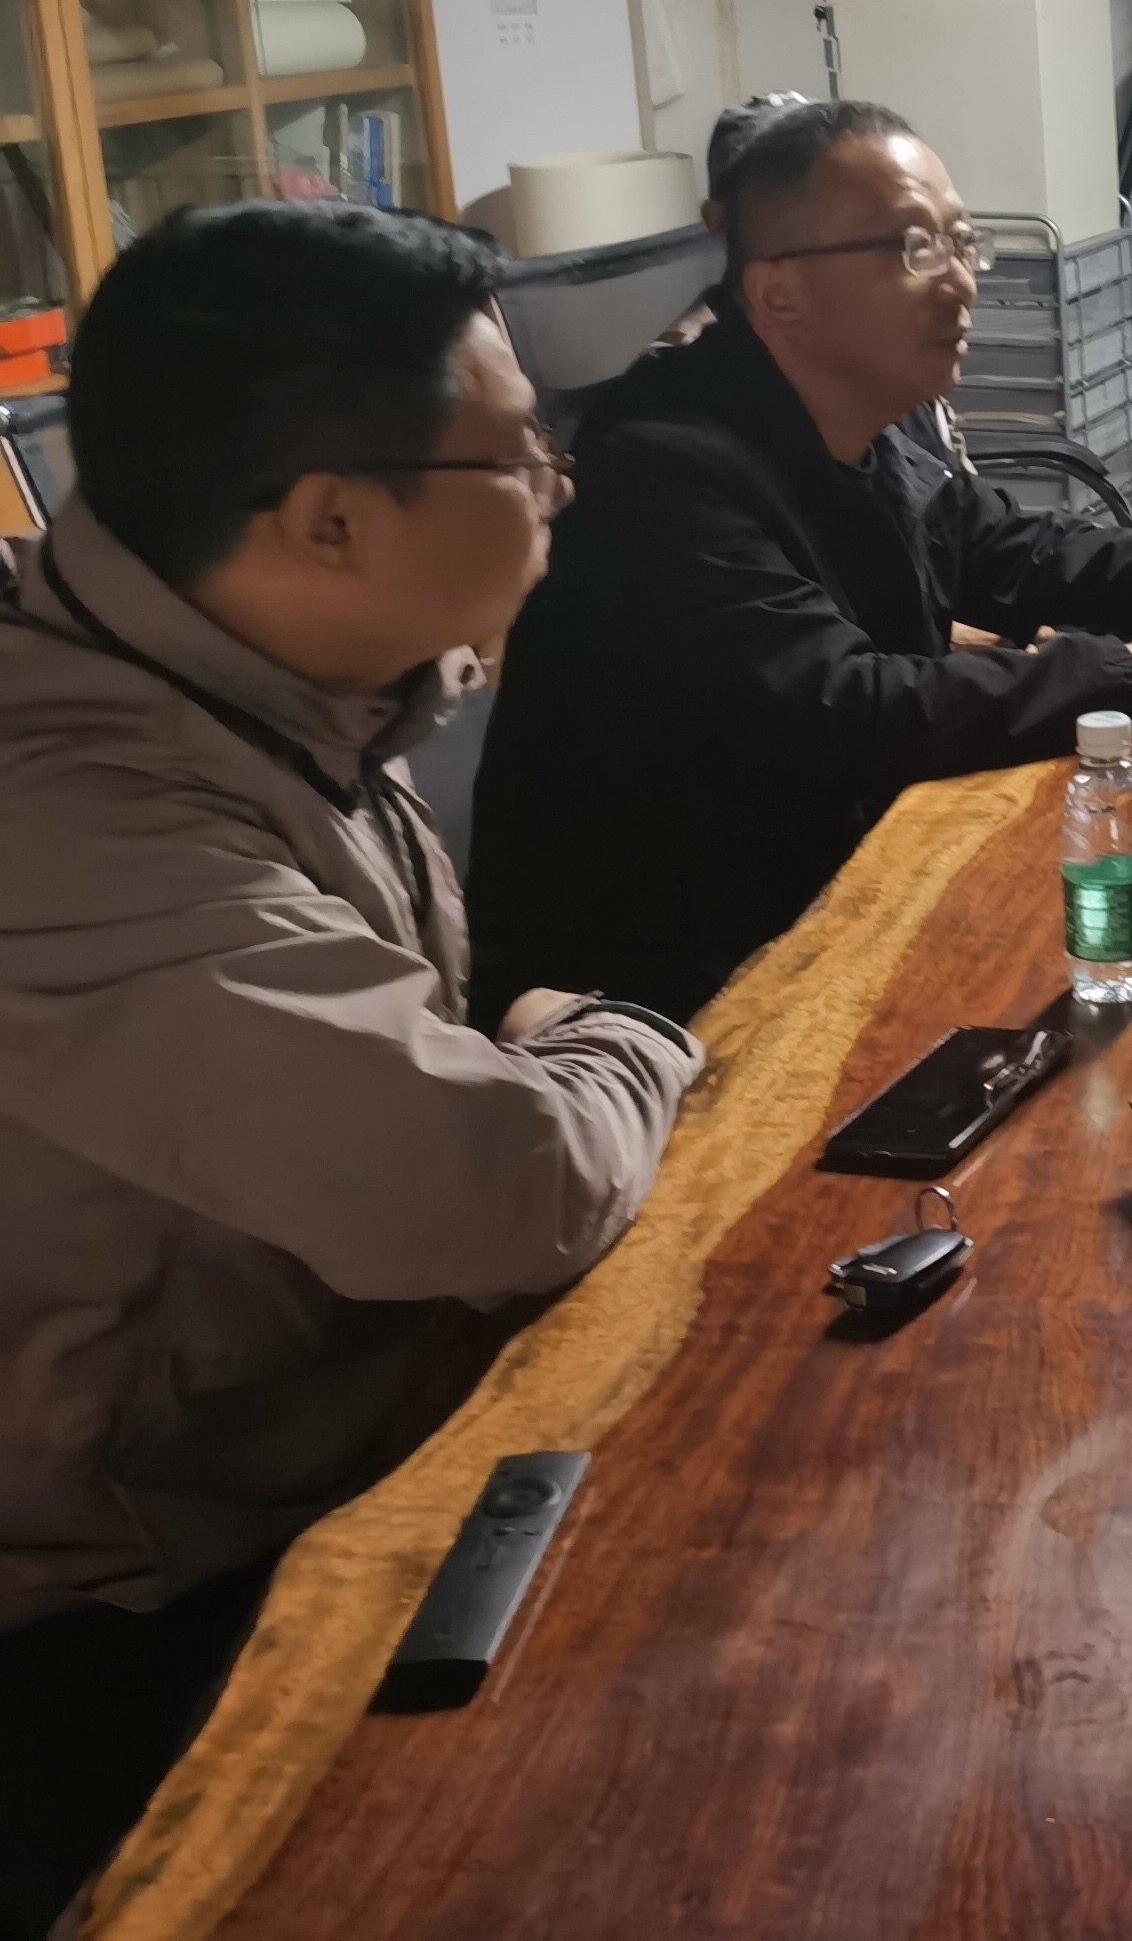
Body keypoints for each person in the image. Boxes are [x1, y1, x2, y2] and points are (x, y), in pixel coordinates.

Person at [0, 205, 698, 1939]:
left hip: (319, 1443)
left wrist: (520, 1064)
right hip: (124, 1620)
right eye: (520, 451)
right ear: (329, 519)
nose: (558, 482)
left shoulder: (280, 679)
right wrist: (637, 1030)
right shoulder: (72, 816)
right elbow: (504, 1185)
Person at [467, 101, 1132, 1025]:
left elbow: (998, 546)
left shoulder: (870, 411)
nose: (961, 281)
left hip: (837, 885)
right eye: (914, 249)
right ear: (779, 292)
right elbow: (848, 709)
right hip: (663, 997)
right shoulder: (660, 474)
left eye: (962, 242)